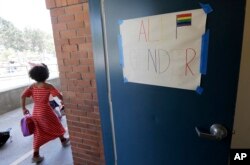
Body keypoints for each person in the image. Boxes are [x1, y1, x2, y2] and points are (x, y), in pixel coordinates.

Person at [20, 63, 70, 163]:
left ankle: (36, 155)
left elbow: (22, 96)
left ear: (33, 76)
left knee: (38, 132)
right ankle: (63, 140)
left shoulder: (32, 86)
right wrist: (64, 100)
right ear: (46, 74)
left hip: (36, 112)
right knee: (56, 124)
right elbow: (59, 96)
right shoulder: (48, 86)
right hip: (46, 110)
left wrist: (24, 108)